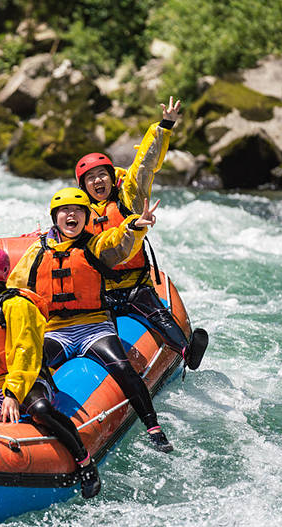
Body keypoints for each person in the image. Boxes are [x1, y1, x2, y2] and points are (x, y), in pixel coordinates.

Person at [8, 188, 174, 452]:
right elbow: (14, 291)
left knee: (123, 368)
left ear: (86, 217)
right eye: (65, 211)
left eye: (77, 211)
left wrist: (135, 226)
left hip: (94, 327)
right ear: (55, 217)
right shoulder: (36, 253)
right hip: (56, 330)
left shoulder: (95, 246)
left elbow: (118, 241)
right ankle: (38, 416)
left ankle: (153, 426)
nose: (71, 215)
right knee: (32, 364)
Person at [0, 244, 101, 499]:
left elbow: (26, 351)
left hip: (29, 382)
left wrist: (12, 392)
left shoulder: (17, 305)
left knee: (41, 410)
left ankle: (85, 462)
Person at [74, 97, 207, 370]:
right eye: (91, 178)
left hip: (135, 286)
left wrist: (165, 125)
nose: (98, 181)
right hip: (101, 292)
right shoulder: (76, 213)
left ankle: (186, 350)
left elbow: (145, 164)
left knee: (159, 315)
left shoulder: (129, 197)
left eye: (103, 175)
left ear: (112, 177)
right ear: (83, 185)